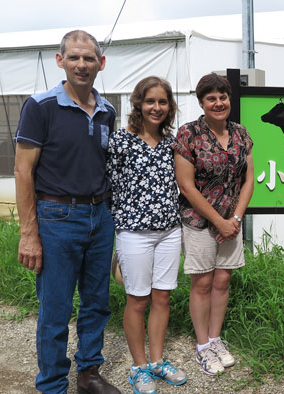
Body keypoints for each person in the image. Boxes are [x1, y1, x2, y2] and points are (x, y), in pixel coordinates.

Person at [14, 30, 121, 394]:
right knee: (56, 309)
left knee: (96, 302)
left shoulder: (107, 111)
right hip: (57, 218)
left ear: (100, 64)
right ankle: (52, 384)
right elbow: (22, 171)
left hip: (99, 216)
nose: (81, 64)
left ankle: (89, 373)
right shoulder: (40, 106)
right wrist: (29, 233)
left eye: (89, 58)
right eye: (74, 57)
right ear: (60, 60)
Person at [107, 76, 187, 393]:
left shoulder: (173, 143)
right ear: (138, 103)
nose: (156, 107)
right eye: (150, 101)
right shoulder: (120, 141)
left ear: (170, 107)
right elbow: (109, 186)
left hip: (170, 231)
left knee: (162, 297)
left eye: (162, 102)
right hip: (134, 233)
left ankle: (157, 362)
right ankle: (138, 368)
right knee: (137, 300)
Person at [173, 73, 254, 375]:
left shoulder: (241, 133)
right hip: (199, 222)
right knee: (203, 283)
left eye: (223, 97)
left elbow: (249, 180)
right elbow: (186, 185)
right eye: (211, 98)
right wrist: (218, 221)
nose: (219, 103)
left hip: (231, 222)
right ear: (201, 102)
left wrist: (234, 219)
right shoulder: (189, 134)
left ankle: (216, 338)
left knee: (222, 281)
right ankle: (203, 346)